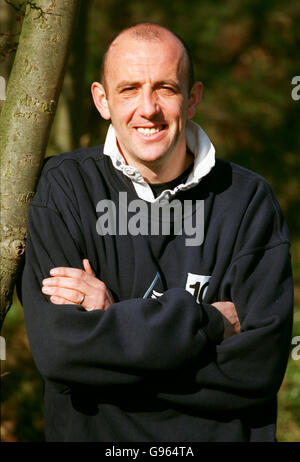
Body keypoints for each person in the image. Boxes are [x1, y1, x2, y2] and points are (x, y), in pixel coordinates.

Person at [21, 23, 293, 442]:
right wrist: (208, 323)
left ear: (193, 99)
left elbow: (257, 370)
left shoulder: (247, 200)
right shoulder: (64, 189)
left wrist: (111, 327)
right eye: (129, 89)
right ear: (102, 100)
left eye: (165, 88)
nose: (147, 109)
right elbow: (61, 354)